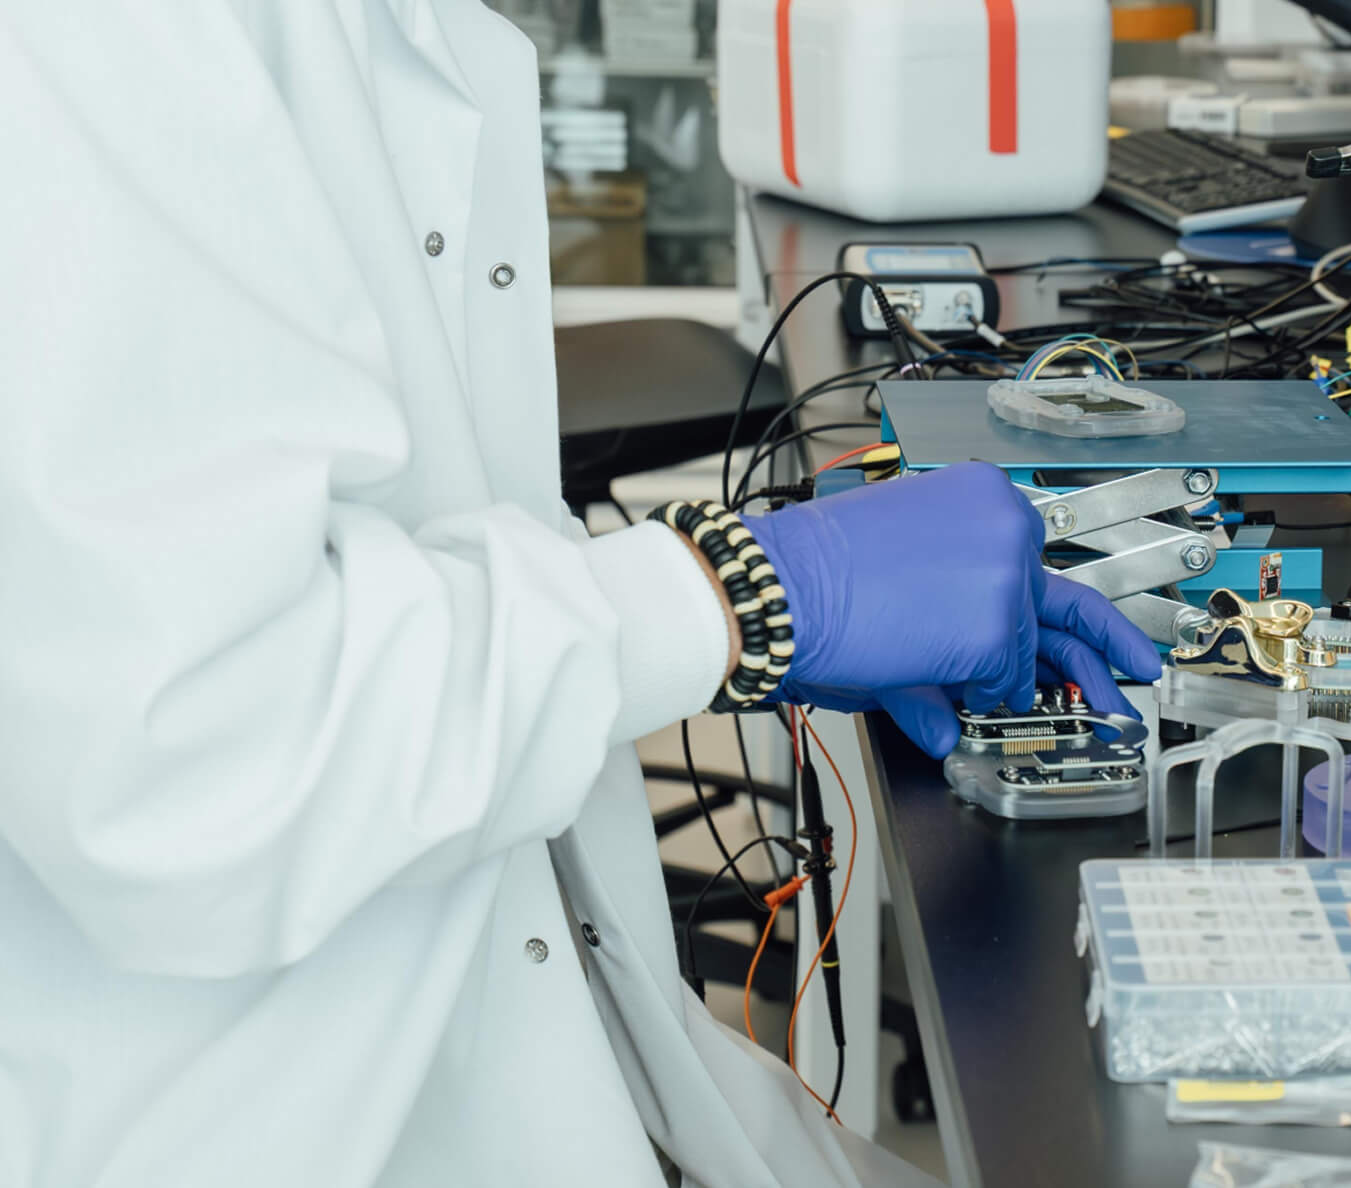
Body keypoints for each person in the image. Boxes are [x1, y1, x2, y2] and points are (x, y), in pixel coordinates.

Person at [0, 4, 1160, 1186]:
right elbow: (197, 751)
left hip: (512, 1032)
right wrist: (732, 599)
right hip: (275, 1116)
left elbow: (361, 530)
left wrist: (692, 617)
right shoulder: (106, 35)